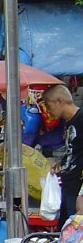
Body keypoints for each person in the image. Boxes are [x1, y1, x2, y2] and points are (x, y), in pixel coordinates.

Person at [41, 84, 83, 228]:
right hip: (69, 187)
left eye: (48, 105)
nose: (48, 111)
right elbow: (75, 152)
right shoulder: (69, 123)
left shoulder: (81, 119)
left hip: (78, 192)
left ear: (59, 101)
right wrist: (61, 164)